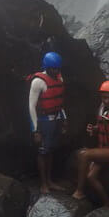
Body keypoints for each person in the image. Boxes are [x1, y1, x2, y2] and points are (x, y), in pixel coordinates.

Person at [28, 51, 66, 194]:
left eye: (58, 68)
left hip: (56, 119)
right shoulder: (38, 81)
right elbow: (31, 106)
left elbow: (60, 101)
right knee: (42, 151)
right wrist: (35, 130)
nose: (56, 71)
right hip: (44, 121)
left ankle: (50, 181)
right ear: (47, 67)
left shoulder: (59, 78)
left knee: (51, 150)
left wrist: (64, 120)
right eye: (53, 68)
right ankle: (43, 184)